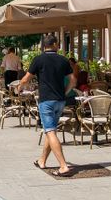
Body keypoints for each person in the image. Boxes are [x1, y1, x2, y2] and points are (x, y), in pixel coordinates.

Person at [20, 34, 75, 177]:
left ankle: (63, 166)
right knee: (51, 132)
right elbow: (73, 80)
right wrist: (66, 91)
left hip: (46, 101)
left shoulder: (38, 60)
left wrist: (19, 87)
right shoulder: (63, 60)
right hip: (60, 101)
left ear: (44, 46)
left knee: (50, 131)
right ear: (55, 44)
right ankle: (42, 160)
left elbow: (26, 79)